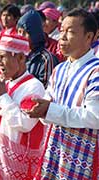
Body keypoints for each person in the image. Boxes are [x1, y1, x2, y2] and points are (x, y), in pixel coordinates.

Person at [26, 8, 99, 179]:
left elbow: (94, 117)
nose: (63, 37)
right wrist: (39, 108)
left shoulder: (95, 71)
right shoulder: (60, 69)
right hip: (55, 155)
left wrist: (50, 110)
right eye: (62, 31)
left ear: (89, 37)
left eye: (71, 32)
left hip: (83, 160)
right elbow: (48, 103)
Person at [0, 34, 46, 179]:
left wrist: (3, 97)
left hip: (16, 165)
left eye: (3, 57)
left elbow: (25, 123)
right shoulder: (6, 83)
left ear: (21, 58)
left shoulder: (34, 86)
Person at [17, 10, 59, 88]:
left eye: (25, 33)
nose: (21, 36)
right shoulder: (18, 54)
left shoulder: (46, 59)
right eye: (19, 32)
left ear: (34, 34)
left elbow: (44, 89)